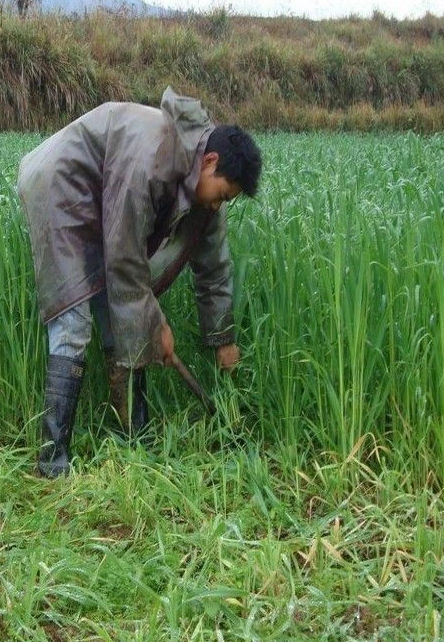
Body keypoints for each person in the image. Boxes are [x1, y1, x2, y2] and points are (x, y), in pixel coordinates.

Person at [17, 86, 262, 477]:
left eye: (226, 201)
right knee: (74, 322)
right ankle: (51, 462)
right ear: (210, 161)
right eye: (221, 193)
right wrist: (155, 325)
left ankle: (136, 441)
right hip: (61, 185)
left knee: (120, 318)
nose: (218, 204)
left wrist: (223, 339)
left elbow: (214, 269)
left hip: (103, 197)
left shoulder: (204, 189)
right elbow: (125, 259)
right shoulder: (151, 158)